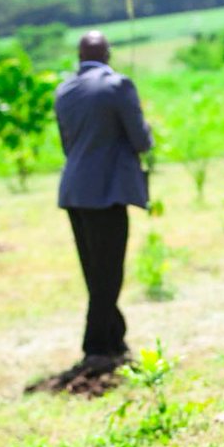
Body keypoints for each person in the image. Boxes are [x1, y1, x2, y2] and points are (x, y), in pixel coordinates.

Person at [54, 31, 152, 376]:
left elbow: (69, 145)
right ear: (108, 54)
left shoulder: (64, 89)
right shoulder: (118, 85)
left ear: (79, 56)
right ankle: (95, 347)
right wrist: (146, 127)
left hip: (74, 190)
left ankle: (114, 340)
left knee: (94, 271)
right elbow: (140, 142)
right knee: (108, 273)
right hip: (107, 192)